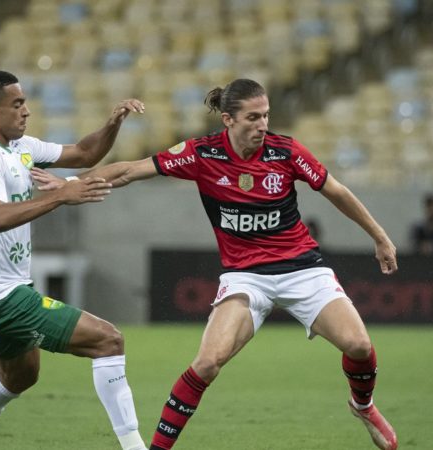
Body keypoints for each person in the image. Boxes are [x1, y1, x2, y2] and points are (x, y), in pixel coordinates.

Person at [32, 78, 399, 450]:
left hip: (302, 268)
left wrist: (380, 237)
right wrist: (71, 184)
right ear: (228, 119)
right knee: (207, 363)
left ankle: (362, 405)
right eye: (253, 118)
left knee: (358, 345)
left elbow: (335, 190)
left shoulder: (285, 151)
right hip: (245, 278)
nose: (263, 125)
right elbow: (129, 170)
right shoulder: (202, 153)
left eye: (266, 116)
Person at [0, 70, 149, 450]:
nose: (27, 111)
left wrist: (112, 123)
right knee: (108, 340)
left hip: (4, 288)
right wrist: (61, 196)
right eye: (17, 104)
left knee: (19, 377)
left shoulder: (19, 147)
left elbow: (84, 153)